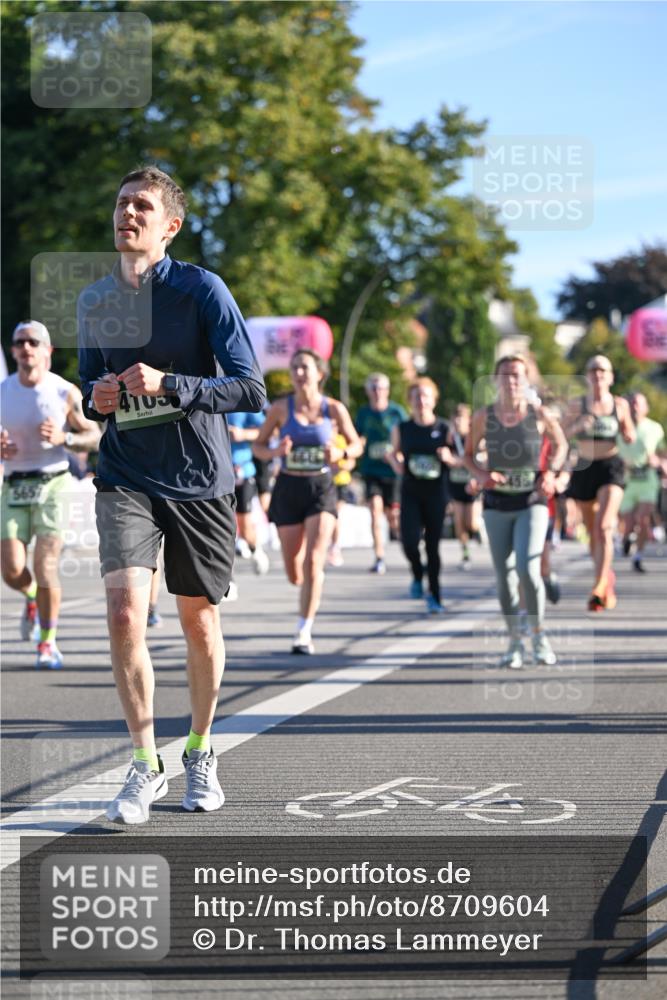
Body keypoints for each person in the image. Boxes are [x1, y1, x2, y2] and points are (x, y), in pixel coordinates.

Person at [78, 165, 266, 824]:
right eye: (122, 203)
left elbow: (249, 389)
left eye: (142, 206)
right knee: (127, 613)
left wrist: (172, 385)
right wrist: (96, 396)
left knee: (199, 623)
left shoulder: (201, 290)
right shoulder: (95, 299)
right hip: (126, 472)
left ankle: (200, 749)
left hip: (197, 480)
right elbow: (88, 388)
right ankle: (142, 763)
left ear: (170, 225)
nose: (128, 213)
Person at [1, 321, 101, 669]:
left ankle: (47, 643)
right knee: (12, 570)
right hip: (13, 483)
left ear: (47, 350)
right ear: (13, 350)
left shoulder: (63, 392)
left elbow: (95, 435)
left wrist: (66, 440)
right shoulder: (3, 390)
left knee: (45, 567)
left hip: (53, 483)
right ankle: (31, 599)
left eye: (33, 342)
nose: (26, 348)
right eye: (20, 342)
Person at [253, 349, 362, 654]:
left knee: (314, 560)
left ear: (319, 373)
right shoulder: (279, 409)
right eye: (295, 368)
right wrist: (275, 452)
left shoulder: (334, 409)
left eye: (305, 368)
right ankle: (306, 585)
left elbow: (356, 446)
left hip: (321, 487)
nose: (299, 374)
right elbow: (259, 446)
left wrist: (341, 454)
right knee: (294, 571)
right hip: (288, 488)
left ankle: (303, 630)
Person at [465, 355, 568, 668]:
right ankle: (513, 643)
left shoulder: (539, 414)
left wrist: (550, 472)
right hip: (497, 503)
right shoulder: (484, 416)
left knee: (527, 567)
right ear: (496, 380)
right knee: (504, 578)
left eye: (517, 376)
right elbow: (468, 454)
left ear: (525, 381)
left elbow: (561, 445)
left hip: (531, 500)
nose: (511, 381)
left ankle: (538, 636)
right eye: (506, 375)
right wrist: (482, 474)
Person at [564, 355, 634, 611]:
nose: (598, 375)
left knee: (605, 526)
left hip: (611, 467)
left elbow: (630, 434)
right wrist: (577, 426)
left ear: (611, 376)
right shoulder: (577, 405)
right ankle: (606, 579)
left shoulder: (620, 405)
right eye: (593, 370)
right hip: (584, 467)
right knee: (592, 531)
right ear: (587, 376)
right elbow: (560, 434)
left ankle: (599, 585)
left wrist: (628, 434)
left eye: (603, 370)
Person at [388, 377, 450, 614]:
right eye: (416, 396)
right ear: (410, 401)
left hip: (436, 492)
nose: (421, 400)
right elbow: (394, 454)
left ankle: (435, 596)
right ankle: (417, 571)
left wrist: (448, 457)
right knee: (409, 541)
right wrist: (396, 463)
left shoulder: (444, 429)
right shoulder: (402, 428)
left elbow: (458, 459)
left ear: (434, 399)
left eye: (425, 395)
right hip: (411, 491)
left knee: (433, 547)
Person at [355, 373, 406, 575]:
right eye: (373, 388)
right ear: (368, 391)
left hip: (393, 471)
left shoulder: (396, 412)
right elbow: (358, 437)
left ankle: (406, 545)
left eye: (381, 388)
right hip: (371, 470)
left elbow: (407, 437)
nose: (377, 392)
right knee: (375, 511)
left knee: (393, 516)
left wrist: (398, 455)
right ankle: (379, 556)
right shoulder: (363, 413)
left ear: (387, 390)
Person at [618, 392, 666, 573]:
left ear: (646, 408)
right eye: (631, 403)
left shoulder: (655, 428)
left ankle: (638, 556)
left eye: (638, 404)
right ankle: (627, 538)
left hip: (647, 480)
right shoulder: (619, 427)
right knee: (629, 522)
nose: (634, 407)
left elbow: (662, 453)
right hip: (626, 481)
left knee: (643, 519)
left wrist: (660, 462)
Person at [228, 409, 270, 578]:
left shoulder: (241, 399)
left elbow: (268, 430)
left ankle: (255, 549)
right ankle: (227, 580)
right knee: (224, 526)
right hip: (216, 475)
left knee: (244, 525)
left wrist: (243, 434)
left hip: (242, 472)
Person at [443, 403, 482, 570]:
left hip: (472, 484)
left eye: (462, 418)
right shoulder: (450, 438)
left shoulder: (475, 438)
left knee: (471, 522)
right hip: (456, 483)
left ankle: (479, 530)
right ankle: (465, 553)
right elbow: (444, 456)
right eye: (455, 419)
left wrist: (457, 461)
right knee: (458, 521)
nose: (458, 422)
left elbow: (480, 458)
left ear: (469, 420)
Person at [327, 431, 356, 567]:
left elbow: (351, 462)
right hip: (324, 482)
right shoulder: (322, 435)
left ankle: (334, 546)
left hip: (340, 482)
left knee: (335, 515)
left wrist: (338, 464)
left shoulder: (342, 438)